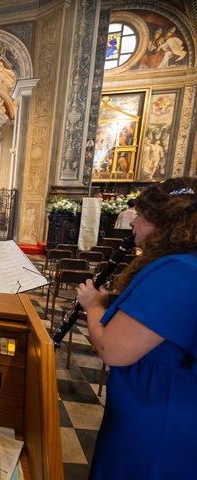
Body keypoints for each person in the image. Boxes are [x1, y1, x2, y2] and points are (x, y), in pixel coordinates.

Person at [76, 177, 197, 479]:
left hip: (157, 418)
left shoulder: (177, 271)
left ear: (163, 221)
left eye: (141, 215)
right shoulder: (186, 265)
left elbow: (112, 350)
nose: (133, 222)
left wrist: (93, 306)